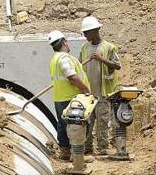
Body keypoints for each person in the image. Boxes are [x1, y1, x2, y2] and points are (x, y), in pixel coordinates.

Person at [78, 16, 121, 155]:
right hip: (88, 93)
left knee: (102, 122)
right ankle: (88, 147)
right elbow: (80, 67)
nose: (85, 35)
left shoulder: (108, 47)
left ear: (95, 30)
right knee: (87, 121)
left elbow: (117, 65)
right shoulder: (84, 48)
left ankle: (102, 148)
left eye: (86, 32)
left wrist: (102, 59)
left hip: (103, 92)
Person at [48, 30, 91, 161]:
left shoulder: (55, 58)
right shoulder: (64, 58)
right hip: (71, 99)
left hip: (60, 98)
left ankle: (65, 152)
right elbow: (71, 76)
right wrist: (85, 89)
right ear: (64, 43)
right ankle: (76, 155)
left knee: (63, 126)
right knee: (76, 126)